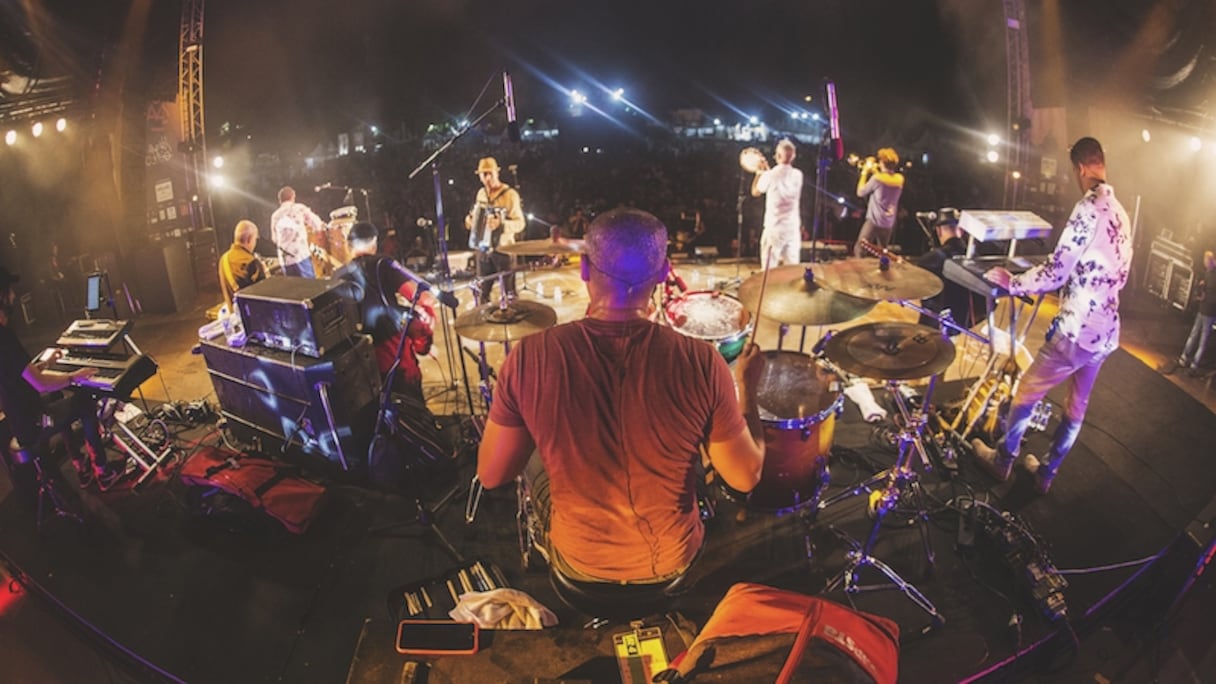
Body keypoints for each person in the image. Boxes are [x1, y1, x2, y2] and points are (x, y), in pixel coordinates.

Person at [477, 208, 766, 585]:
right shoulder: (702, 361)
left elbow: (492, 474)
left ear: (583, 269)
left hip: (580, 565)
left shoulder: (529, 356)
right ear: (663, 272)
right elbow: (746, 478)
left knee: (534, 462)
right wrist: (748, 388)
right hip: (672, 561)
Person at [971, 137, 1132, 494]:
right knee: (1077, 406)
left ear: (1080, 167)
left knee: (1025, 393)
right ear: (1101, 162)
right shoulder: (1120, 211)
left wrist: (1013, 282)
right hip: (1105, 331)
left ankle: (1002, 461)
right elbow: (1116, 272)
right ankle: (1046, 473)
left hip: (1077, 329)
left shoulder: (1088, 207)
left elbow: (1057, 270)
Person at [0, 267, 123, 490]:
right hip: (34, 422)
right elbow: (39, 383)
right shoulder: (5, 336)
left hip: (21, 419)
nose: (14, 296)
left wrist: (46, 364)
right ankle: (103, 472)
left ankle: (80, 466)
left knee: (57, 395)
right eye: (10, 291)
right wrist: (74, 375)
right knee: (84, 401)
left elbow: (20, 375)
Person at [334, 222, 435, 400]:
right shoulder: (383, 264)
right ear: (374, 242)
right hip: (392, 353)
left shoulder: (336, 276)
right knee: (410, 407)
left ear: (349, 246)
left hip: (359, 360)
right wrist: (428, 318)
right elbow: (420, 296)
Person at [465, 158, 526, 305]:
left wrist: (501, 224)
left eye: (490, 173)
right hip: (483, 251)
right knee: (483, 293)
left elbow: (521, 223)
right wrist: (470, 221)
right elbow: (475, 217)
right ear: (479, 176)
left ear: (496, 173)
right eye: (483, 174)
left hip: (504, 250)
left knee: (509, 293)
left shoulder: (510, 194)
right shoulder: (480, 194)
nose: (487, 178)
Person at [914, 209, 977, 333]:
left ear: (938, 231)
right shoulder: (975, 258)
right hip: (966, 325)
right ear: (961, 230)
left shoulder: (929, 260)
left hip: (933, 328)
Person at [750, 139, 803, 269]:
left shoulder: (770, 175)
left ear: (778, 155)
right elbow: (779, 179)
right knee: (792, 270)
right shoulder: (798, 175)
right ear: (793, 156)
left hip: (774, 228)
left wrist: (759, 173)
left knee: (769, 269)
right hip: (792, 229)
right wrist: (766, 172)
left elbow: (755, 192)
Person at [1164, 250, 1216, 376]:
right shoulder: (1208, 273)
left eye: (1207, 261)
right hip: (1202, 310)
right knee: (1194, 336)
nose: (1205, 263)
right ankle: (1184, 359)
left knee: (1202, 340)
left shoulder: (1213, 275)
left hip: (1209, 313)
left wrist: (1204, 297)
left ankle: (1194, 365)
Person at [855, 148, 905, 257]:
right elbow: (883, 180)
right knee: (882, 252)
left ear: (882, 162)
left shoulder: (877, 178)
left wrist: (865, 171)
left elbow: (860, 192)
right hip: (888, 222)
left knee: (860, 248)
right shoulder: (900, 179)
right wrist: (875, 170)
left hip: (874, 220)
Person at [269, 186, 327, 278]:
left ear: (280, 200)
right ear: (293, 197)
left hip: (285, 261)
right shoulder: (298, 208)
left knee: (294, 288)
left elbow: (274, 239)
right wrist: (320, 232)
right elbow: (315, 221)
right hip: (301, 257)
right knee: (309, 287)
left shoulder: (275, 216)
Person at [218, 220, 267, 309]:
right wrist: (266, 273)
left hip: (234, 316)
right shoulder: (252, 262)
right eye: (255, 239)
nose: (255, 243)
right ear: (249, 239)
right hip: (253, 317)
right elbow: (265, 296)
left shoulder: (223, 259)